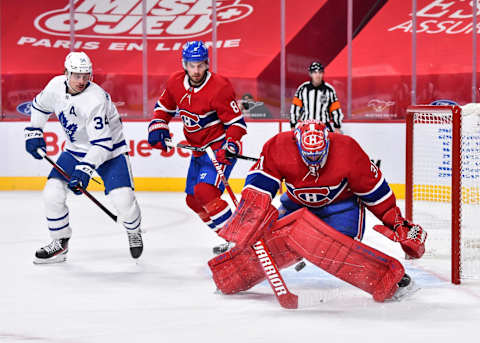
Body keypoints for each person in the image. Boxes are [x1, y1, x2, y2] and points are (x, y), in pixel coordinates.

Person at [208, 120, 427, 302]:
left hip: (340, 210)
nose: (314, 165)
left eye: (318, 157)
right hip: (296, 206)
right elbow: (260, 185)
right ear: (298, 144)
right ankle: (230, 275)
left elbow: (377, 195)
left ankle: (391, 278)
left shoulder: (348, 150)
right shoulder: (279, 146)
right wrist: (251, 215)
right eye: (308, 158)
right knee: (278, 240)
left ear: (329, 144)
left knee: (329, 247)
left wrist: (397, 222)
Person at [24, 51, 143, 264]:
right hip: (75, 150)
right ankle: (59, 242)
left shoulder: (95, 99)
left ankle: (133, 230)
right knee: (52, 193)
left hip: (111, 151)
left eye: (85, 75)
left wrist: (84, 169)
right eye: (76, 75)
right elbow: (40, 106)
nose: (81, 80)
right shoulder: (54, 86)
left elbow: (102, 143)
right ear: (65, 73)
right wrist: (35, 131)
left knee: (123, 201)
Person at [147, 41, 247, 252]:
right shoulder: (175, 82)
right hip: (199, 152)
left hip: (218, 150)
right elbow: (162, 109)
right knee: (193, 200)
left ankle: (239, 242)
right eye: (191, 65)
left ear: (207, 63)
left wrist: (231, 144)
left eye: (200, 65)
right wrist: (158, 127)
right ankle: (230, 239)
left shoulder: (220, 86)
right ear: (184, 64)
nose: (196, 70)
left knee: (205, 191)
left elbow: (236, 123)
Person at [290, 61, 344, 132]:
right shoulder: (303, 88)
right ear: (310, 74)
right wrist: (293, 125)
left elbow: (335, 109)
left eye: (320, 72)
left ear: (323, 74)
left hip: (324, 126)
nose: (317, 75)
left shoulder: (329, 90)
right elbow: (295, 108)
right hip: (306, 126)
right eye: (315, 72)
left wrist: (337, 126)